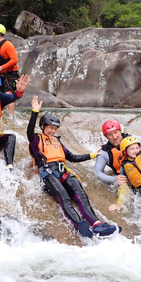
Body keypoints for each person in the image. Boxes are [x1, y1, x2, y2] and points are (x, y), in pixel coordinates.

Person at [27, 96, 121, 238]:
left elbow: (71, 157)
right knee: (64, 196)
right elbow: (29, 132)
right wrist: (35, 112)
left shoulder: (57, 141)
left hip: (62, 171)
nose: (53, 131)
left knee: (81, 196)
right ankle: (79, 224)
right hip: (47, 173)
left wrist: (91, 155)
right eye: (50, 128)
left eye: (55, 128)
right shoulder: (36, 139)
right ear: (42, 127)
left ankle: (97, 224)